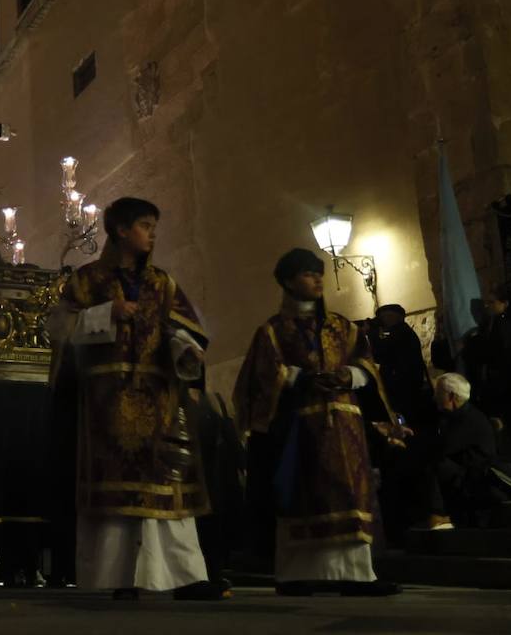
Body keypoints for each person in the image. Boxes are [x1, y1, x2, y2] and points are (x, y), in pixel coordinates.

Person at [48, 197, 227, 601]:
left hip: (158, 396)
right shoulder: (87, 280)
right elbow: (58, 330)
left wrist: (185, 350)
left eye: (154, 227)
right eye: (146, 226)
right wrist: (105, 313)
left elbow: (181, 329)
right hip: (105, 403)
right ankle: (120, 577)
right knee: (118, 488)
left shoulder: (162, 283)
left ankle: (184, 576)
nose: (153, 234)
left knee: (167, 484)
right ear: (121, 230)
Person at [235, 247, 400, 596]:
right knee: (304, 497)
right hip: (301, 427)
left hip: (346, 426)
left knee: (350, 496)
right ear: (288, 282)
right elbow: (263, 374)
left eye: (319, 272)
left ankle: (358, 575)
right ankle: (297, 574)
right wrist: (300, 379)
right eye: (309, 274)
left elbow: (368, 364)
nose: (318, 279)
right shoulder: (273, 331)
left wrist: (349, 376)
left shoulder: (343, 326)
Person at [430, 374, 511, 525]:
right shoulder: (458, 416)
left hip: (476, 477)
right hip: (469, 473)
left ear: (451, 396)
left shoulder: (469, 420)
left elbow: (442, 448)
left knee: (435, 463)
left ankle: (439, 515)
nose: (434, 397)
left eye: (438, 393)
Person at [460, 293, 511, 486]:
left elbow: (500, 354)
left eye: (492, 302)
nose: (488, 306)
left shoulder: (507, 325)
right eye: (487, 303)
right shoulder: (493, 325)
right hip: (503, 392)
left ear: (504, 303)